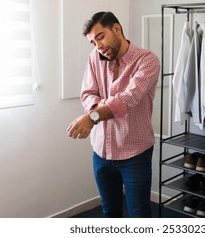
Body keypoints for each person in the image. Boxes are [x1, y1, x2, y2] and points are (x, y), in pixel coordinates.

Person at [67, 11, 160, 218]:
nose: (98, 46)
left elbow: (128, 99)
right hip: (101, 152)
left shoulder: (148, 60)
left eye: (100, 37)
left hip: (135, 154)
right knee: (110, 212)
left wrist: (92, 117)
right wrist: (103, 107)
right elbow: (87, 93)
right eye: (93, 42)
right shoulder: (94, 58)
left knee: (139, 215)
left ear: (116, 29)